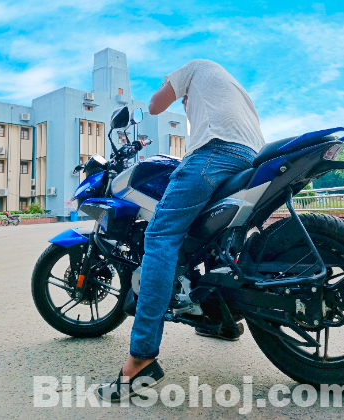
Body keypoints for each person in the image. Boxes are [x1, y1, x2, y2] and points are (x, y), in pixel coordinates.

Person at [98, 59, 265, 402]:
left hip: (215, 152)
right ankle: (221, 320)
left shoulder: (193, 67)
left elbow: (155, 105)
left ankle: (141, 359)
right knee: (213, 237)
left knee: (160, 236)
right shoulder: (232, 85)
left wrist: (172, 87)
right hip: (252, 157)